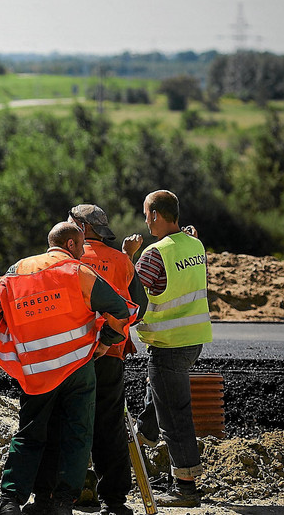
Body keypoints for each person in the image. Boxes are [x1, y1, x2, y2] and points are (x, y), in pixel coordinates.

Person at [0, 222, 133, 515]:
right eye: (82, 247)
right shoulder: (79, 272)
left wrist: (5, 340)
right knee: (77, 434)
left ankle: (10, 501)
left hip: (36, 368)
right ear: (72, 245)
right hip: (77, 366)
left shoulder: (18, 269)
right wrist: (104, 343)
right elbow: (120, 309)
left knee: (30, 431)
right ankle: (63, 503)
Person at [26, 205, 145, 515]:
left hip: (67, 355)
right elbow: (137, 308)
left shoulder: (61, 258)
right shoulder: (121, 260)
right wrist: (110, 338)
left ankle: (48, 496)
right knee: (109, 425)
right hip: (109, 355)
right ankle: (115, 500)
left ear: (78, 227)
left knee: (58, 423)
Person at [123, 190, 211, 508]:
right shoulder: (194, 244)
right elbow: (184, 243)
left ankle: (185, 488)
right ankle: (143, 433)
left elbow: (134, 297)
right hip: (192, 341)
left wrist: (127, 257)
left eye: (147, 214)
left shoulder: (153, 254)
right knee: (160, 395)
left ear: (156, 215)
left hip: (168, 344)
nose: (145, 220)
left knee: (175, 416)